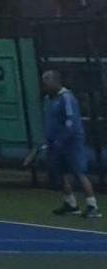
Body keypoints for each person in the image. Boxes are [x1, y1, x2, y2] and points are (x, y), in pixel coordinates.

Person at [27, 70, 97, 219]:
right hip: (54, 143)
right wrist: (49, 141)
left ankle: (92, 206)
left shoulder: (67, 98)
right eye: (43, 81)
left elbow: (71, 122)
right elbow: (49, 122)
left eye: (47, 80)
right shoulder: (47, 99)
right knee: (62, 174)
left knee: (78, 173)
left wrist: (61, 140)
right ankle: (71, 204)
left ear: (55, 81)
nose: (44, 84)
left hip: (71, 142)